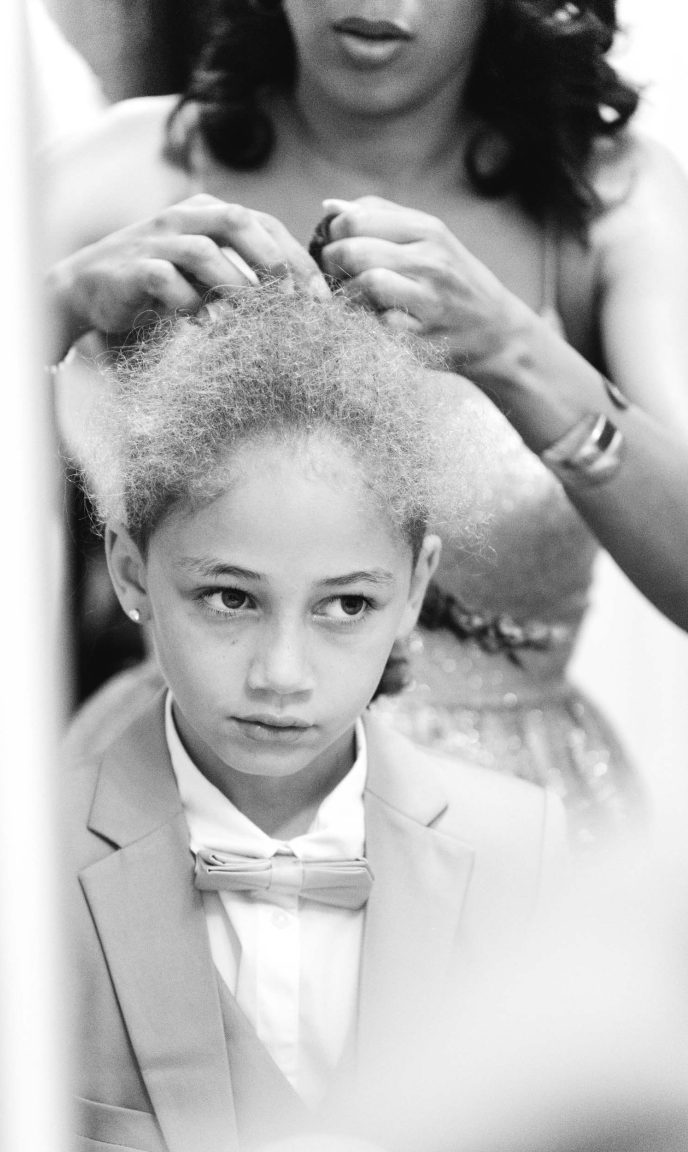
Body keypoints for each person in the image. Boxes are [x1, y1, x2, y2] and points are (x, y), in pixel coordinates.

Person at [45, 0, 688, 843]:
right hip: (176, 796)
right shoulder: (133, 170)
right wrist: (51, 303)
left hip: (518, 827)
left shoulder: (609, 204)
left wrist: (518, 354)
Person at [63, 282, 566, 1151]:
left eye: (344, 607)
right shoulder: (25, 861)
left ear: (413, 587)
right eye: (229, 598)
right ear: (133, 571)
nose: (283, 675)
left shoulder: (523, 850)